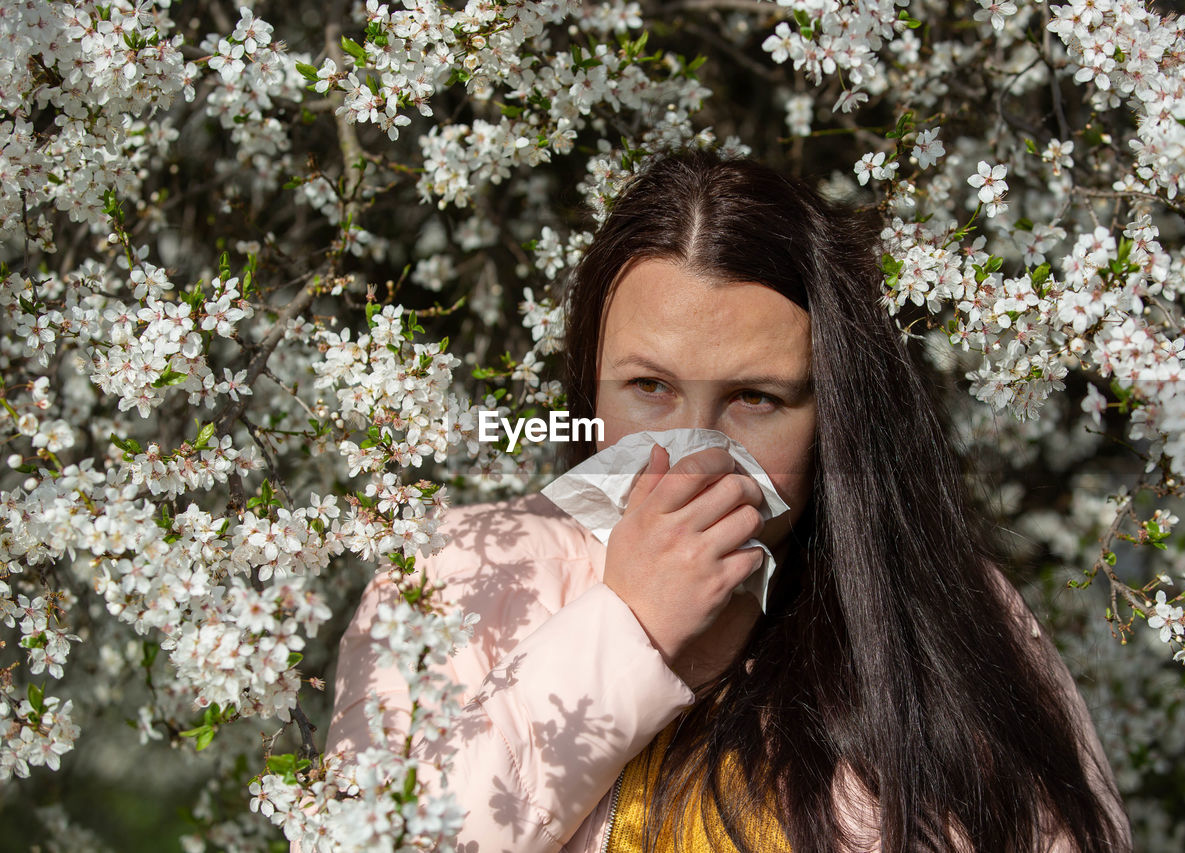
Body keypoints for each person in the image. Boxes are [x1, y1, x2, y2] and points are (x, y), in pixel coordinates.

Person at [323, 150, 1132, 852]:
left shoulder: (945, 612)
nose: (696, 455)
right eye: (649, 388)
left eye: (755, 398)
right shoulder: (460, 574)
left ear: (833, 417)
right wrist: (627, 630)